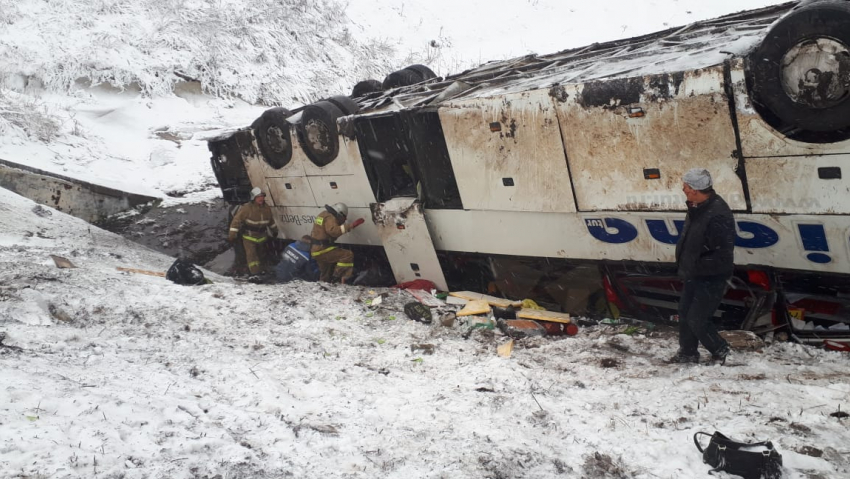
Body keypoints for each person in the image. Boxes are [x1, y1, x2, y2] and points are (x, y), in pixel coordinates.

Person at [669, 168, 735, 364]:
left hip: (711, 275)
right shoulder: (697, 207)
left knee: (697, 318)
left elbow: (721, 252)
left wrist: (698, 266)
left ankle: (720, 350)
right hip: (695, 272)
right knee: (684, 312)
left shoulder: (717, 214)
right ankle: (688, 352)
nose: (683, 189)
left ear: (696, 190)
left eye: (686, 187)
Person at [228, 187, 278, 280]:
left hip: (262, 236)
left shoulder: (266, 208)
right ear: (253, 198)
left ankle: (262, 271)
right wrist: (232, 235)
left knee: (262, 255)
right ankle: (255, 273)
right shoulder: (246, 208)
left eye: (262, 196)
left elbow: (270, 221)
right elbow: (236, 221)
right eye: (258, 197)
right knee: (252, 256)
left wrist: (275, 230)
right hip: (249, 237)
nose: (261, 198)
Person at [309, 202, 365, 283]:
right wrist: (350, 226)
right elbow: (333, 231)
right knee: (347, 255)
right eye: (344, 217)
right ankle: (337, 279)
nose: (344, 220)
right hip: (322, 249)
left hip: (316, 249)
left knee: (326, 272)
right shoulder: (330, 217)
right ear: (340, 213)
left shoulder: (323, 214)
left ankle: (324, 287)